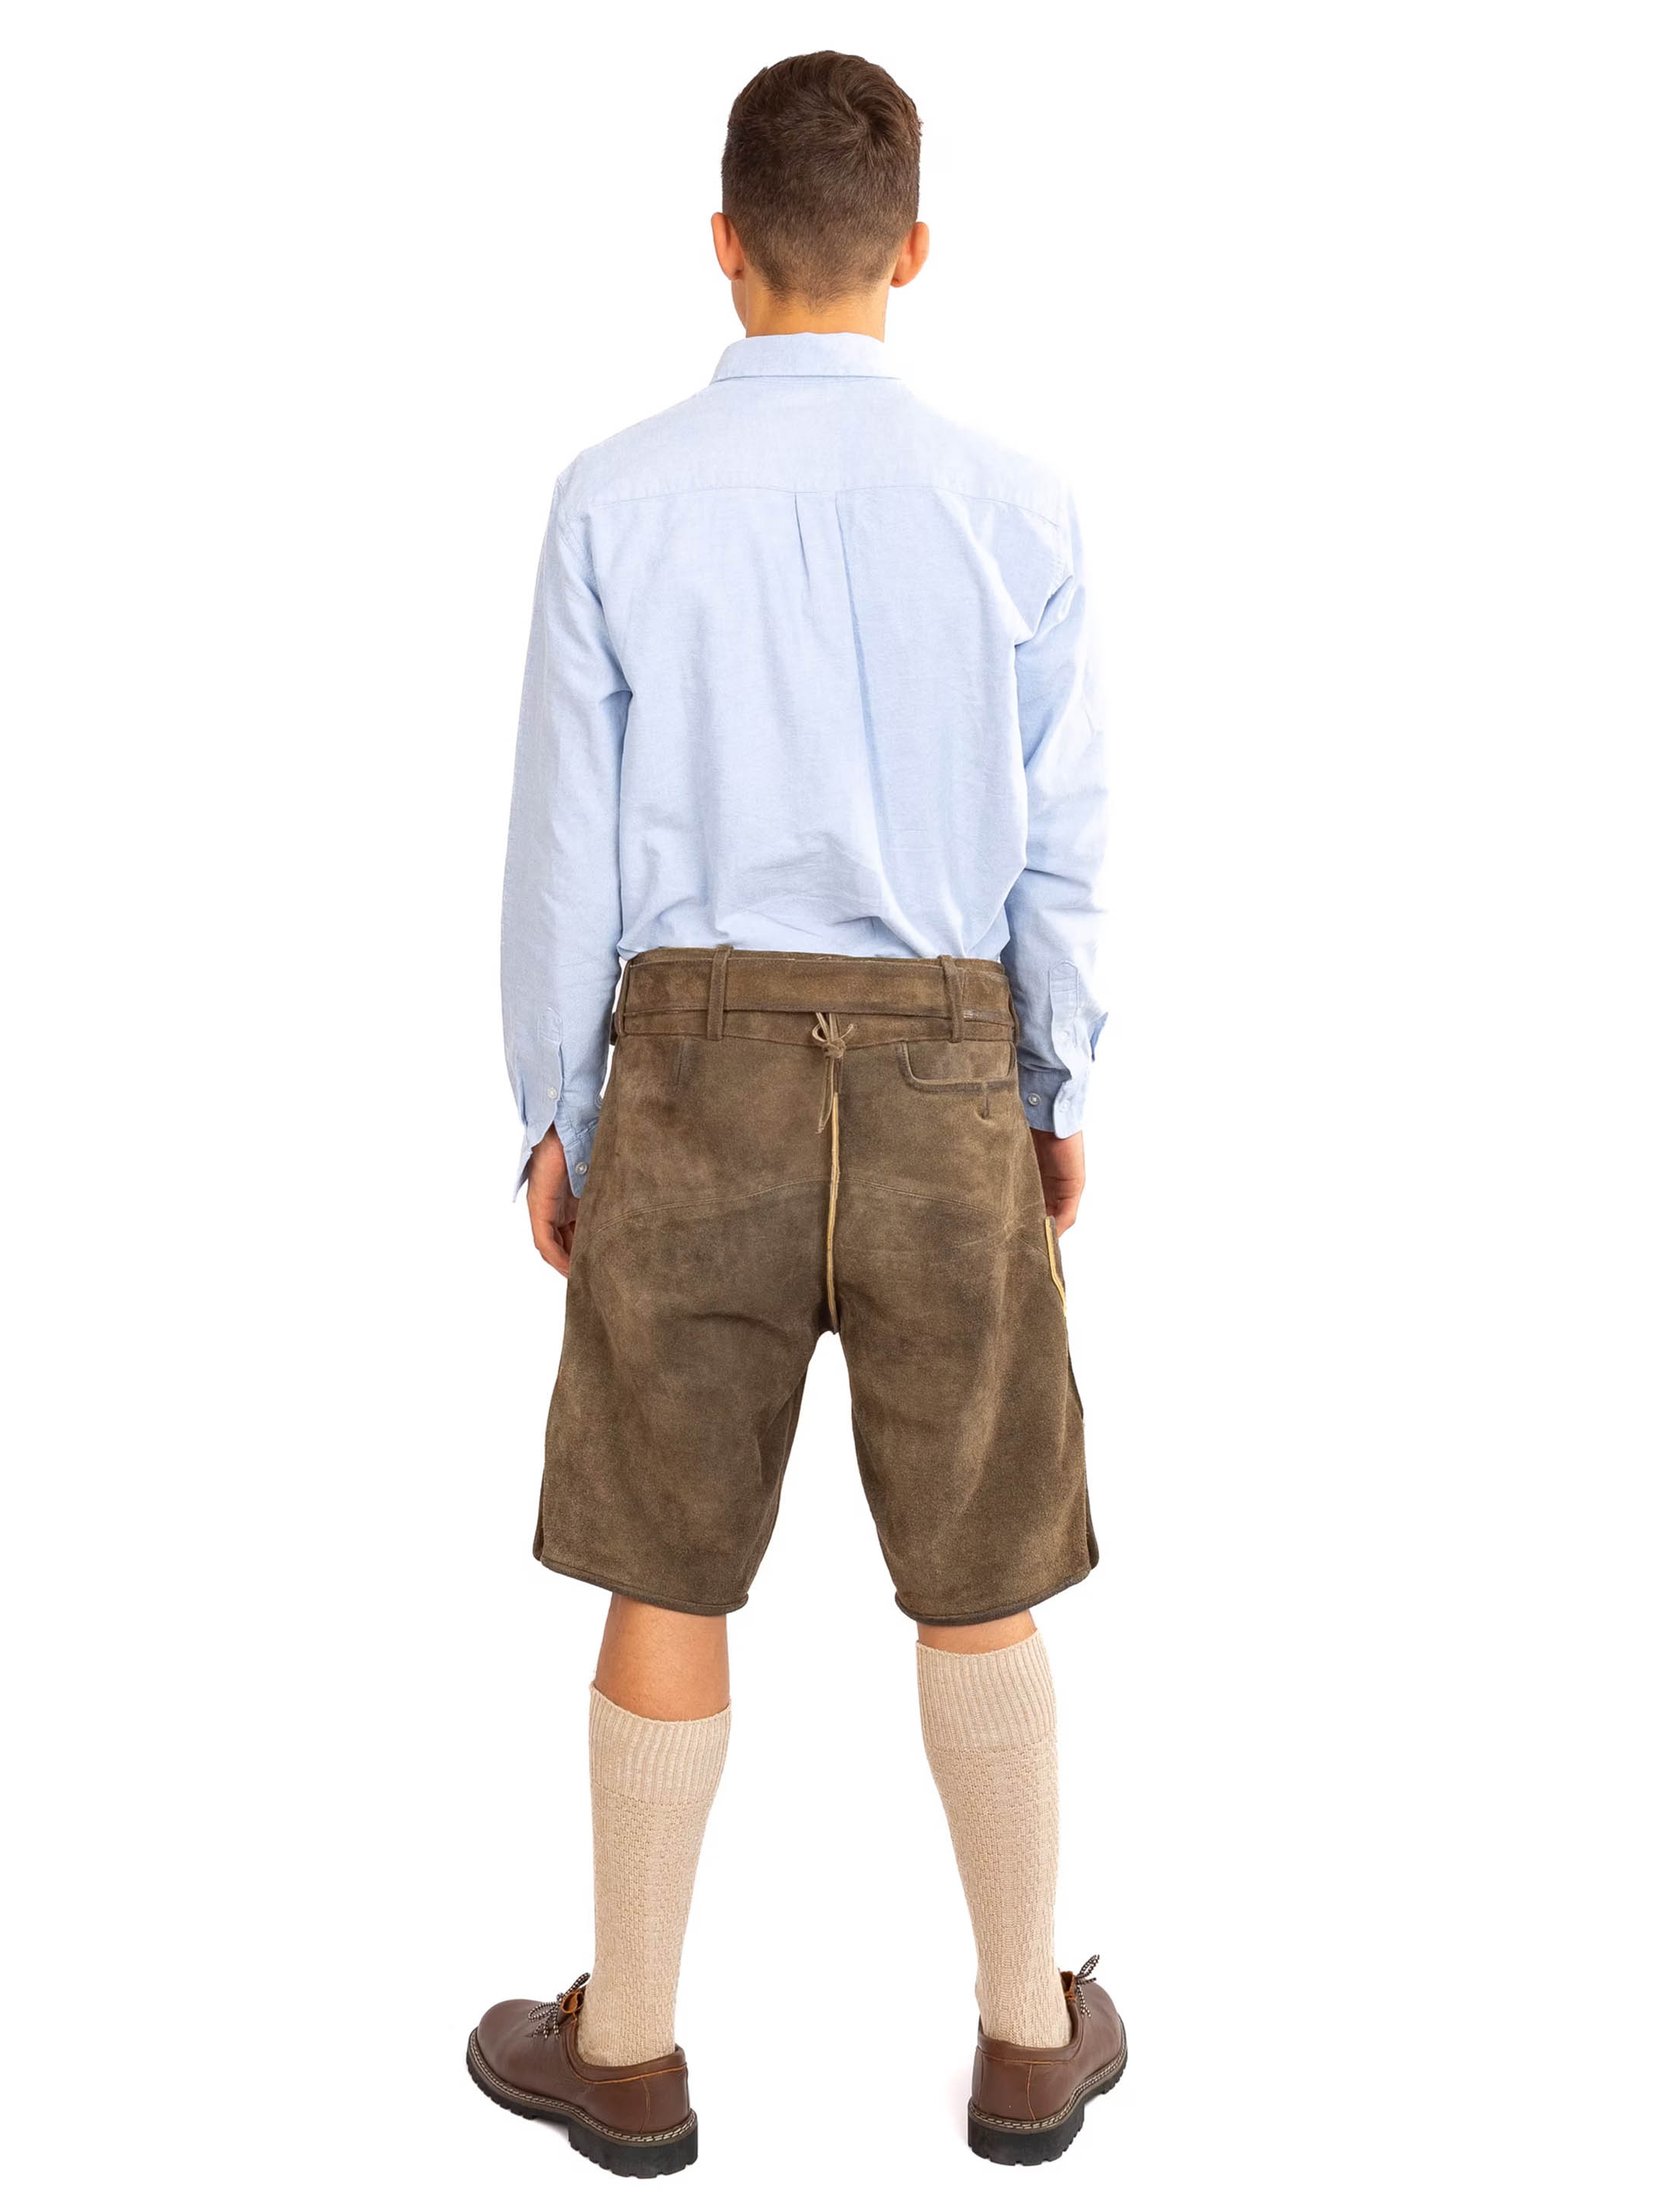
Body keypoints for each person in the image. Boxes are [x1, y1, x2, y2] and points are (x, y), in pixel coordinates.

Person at [467, 51, 1123, 2177]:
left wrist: (559, 1107)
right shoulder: (1018, 506)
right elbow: (1064, 845)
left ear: (723, 245)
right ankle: (1028, 2038)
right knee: (980, 1565)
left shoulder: (614, 495)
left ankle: (628, 2059)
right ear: (912, 251)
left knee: (667, 1563)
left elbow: (564, 847)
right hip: (947, 1065)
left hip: (693, 1070)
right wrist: (1054, 1078)